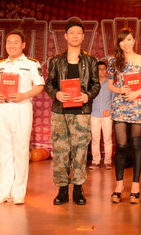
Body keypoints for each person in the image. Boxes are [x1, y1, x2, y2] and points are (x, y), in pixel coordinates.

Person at [45, 19, 100, 206]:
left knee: (80, 151)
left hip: (81, 112)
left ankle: (78, 188)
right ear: (66, 36)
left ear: (83, 37)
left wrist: (87, 96)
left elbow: (95, 84)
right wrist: (56, 94)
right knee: (60, 151)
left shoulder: (90, 60)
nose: (75, 36)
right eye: (72, 33)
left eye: (79, 33)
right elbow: (49, 83)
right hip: (60, 112)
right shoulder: (56, 60)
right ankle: (62, 189)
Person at [0, 30, 45, 205]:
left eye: (16, 42)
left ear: (23, 45)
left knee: (20, 150)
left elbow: (40, 85)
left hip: (21, 107)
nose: (12, 45)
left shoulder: (31, 64)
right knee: (3, 150)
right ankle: (3, 191)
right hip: (3, 108)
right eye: (9, 42)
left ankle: (18, 192)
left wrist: (24, 95)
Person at [107, 28, 141, 204]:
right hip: (120, 105)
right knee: (121, 146)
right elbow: (110, 85)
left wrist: (137, 93)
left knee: (136, 146)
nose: (125, 43)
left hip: (137, 105)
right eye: (122, 41)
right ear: (118, 43)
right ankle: (119, 185)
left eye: (128, 39)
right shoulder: (113, 61)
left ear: (134, 40)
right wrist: (119, 89)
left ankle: (135, 186)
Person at [89, 61, 113, 170]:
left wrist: (110, 111)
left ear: (106, 70)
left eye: (104, 69)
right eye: (99, 69)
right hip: (94, 114)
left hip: (107, 115)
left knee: (107, 139)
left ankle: (108, 161)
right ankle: (95, 161)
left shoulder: (110, 83)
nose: (102, 71)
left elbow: (114, 99)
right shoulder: (92, 84)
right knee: (95, 139)